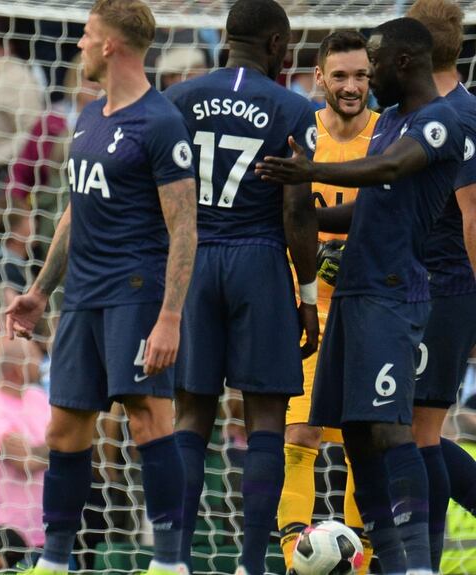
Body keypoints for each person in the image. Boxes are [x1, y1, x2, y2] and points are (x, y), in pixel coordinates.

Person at [256, 17, 464, 574]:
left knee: (392, 429)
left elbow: (395, 169)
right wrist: (311, 217)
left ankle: (415, 563)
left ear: (402, 64)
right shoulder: (393, 118)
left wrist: (312, 170)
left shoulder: (444, 120)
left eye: (370, 70)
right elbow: (366, 207)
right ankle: (385, 560)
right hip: (351, 295)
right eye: (347, 73)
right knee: (351, 429)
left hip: (394, 293)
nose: (362, 83)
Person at [4, 1, 199, 573]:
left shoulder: (161, 123)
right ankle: (55, 562)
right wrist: (41, 291)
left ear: (111, 45)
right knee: (66, 425)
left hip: (136, 295)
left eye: (88, 36)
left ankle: (168, 563)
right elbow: (74, 211)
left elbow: (184, 225)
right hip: (81, 299)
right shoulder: (89, 117)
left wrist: (171, 316)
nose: (80, 46)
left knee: (148, 419)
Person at [164, 1, 321, 573]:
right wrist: (306, 299)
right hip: (258, 261)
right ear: (278, 44)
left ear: (228, 38)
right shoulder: (293, 107)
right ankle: (251, 563)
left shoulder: (178, 100)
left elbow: (162, 194)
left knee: (190, 415)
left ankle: (173, 560)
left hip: (195, 259)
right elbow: (298, 214)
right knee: (265, 420)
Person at [274, 30, 378, 572]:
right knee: (300, 431)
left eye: (360, 75)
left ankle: (359, 560)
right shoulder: (300, 136)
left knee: (369, 436)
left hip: (370, 310)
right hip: (304, 310)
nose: (351, 85)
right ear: (319, 78)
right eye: (339, 75)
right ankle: (298, 556)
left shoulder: (388, 138)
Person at [405, 0, 476, 568]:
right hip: (413, 288)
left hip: (445, 289)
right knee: (394, 431)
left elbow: (473, 216)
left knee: (415, 434)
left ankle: (422, 561)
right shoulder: (428, 110)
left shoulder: (459, 117)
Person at [0, 335, 51, 547]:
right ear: (17, 366)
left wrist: (40, 450)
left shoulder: (40, 397)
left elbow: (69, 444)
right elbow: (25, 462)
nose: (41, 362)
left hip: (45, 530)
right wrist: (57, 448)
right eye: (34, 356)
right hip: (0, 532)